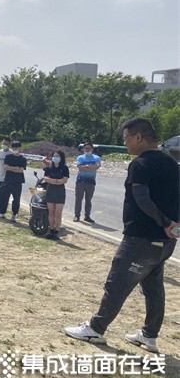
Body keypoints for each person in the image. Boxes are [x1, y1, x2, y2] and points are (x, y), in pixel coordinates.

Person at [64, 118, 180, 353]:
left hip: (141, 238)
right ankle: (148, 336)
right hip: (166, 241)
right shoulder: (172, 163)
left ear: (139, 137)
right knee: (153, 287)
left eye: (126, 139)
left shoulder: (140, 164)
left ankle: (96, 329)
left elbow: (142, 199)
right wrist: (172, 225)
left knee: (117, 282)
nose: (125, 143)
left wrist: (164, 221)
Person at [0, 141, 27, 221]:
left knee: (16, 199)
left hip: (17, 181)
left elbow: (21, 170)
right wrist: (15, 168)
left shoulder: (23, 159)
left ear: (19, 148)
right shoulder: (8, 157)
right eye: (13, 148)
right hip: (7, 180)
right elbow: (5, 167)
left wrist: (11, 168)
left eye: (16, 147)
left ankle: (14, 215)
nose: (15, 149)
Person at [42, 150, 70, 240]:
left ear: (61, 158)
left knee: (58, 213)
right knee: (51, 212)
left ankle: (56, 232)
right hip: (50, 190)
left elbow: (64, 180)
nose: (55, 158)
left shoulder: (64, 168)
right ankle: (51, 230)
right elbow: (45, 178)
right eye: (54, 156)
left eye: (57, 156)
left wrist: (53, 181)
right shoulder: (49, 167)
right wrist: (56, 181)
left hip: (60, 191)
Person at [73, 142, 101, 223]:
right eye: (86, 148)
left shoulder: (96, 158)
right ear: (83, 149)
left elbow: (98, 166)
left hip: (91, 182)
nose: (87, 150)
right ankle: (77, 215)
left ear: (92, 149)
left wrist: (87, 167)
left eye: (89, 148)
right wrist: (91, 167)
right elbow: (80, 167)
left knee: (88, 200)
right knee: (78, 199)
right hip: (80, 181)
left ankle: (87, 216)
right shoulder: (80, 158)